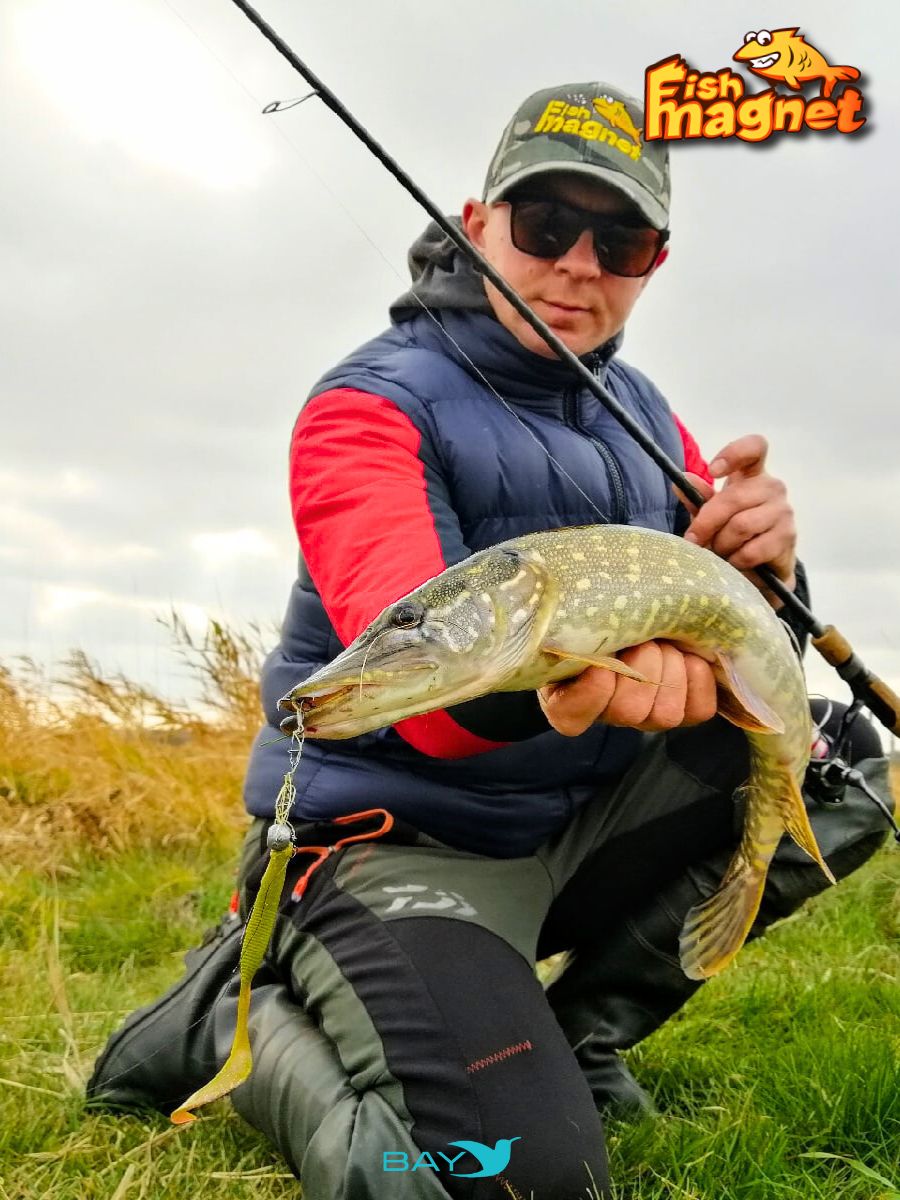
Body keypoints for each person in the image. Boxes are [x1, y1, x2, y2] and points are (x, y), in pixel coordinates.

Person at [86, 82, 893, 1199]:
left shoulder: (648, 418)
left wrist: (769, 571)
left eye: (621, 241)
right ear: (478, 224)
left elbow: (736, 639)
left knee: (840, 763)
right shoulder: (367, 410)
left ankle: (580, 1035)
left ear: (654, 263)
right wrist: (549, 687)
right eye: (546, 223)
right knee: (517, 1178)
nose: (579, 265)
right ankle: (233, 1023)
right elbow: (426, 668)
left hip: (569, 825)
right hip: (399, 841)